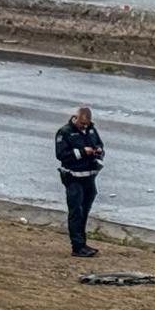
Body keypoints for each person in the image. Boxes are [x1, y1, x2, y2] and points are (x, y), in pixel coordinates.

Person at [55, 107, 104, 257]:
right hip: (73, 178)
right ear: (75, 118)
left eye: (86, 124)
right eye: (82, 123)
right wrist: (83, 152)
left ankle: (83, 243)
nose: (84, 126)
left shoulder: (91, 130)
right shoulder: (65, 132)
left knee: (84, 211)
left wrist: (98, 151)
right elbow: (61, 155)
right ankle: (77, 246)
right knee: (76, 211)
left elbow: (100, 144)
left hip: (89, 177)